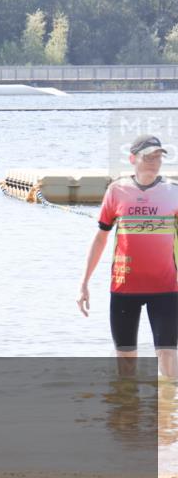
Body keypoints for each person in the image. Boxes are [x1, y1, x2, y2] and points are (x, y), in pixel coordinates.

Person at [79, 135, 178, 377]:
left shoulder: (173, 192)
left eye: (158, 157)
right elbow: (101, 237)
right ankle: (127, 411)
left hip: (166, 288)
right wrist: (84, 283)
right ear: (133, 159)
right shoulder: (117, 191)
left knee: (167, 353)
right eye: (148, 156)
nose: (154, 162)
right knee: (125, 357)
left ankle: (169, 410)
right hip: (124, 288)